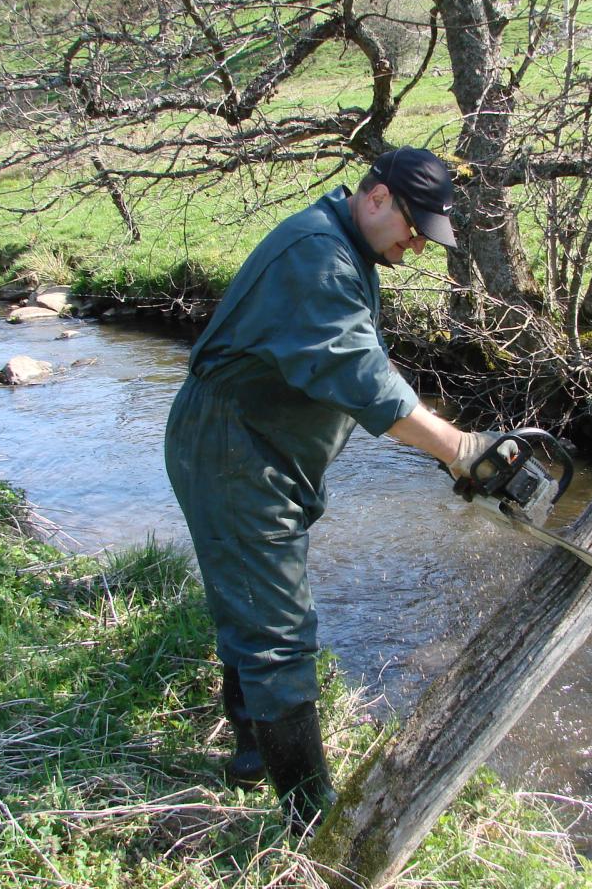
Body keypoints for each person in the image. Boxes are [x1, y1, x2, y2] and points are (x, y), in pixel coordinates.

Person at [163, 147, 502, 831]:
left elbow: (354, 360)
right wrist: (460, 449)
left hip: (251, 446)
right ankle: (312, 824)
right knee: (279, 632)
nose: (413, 248)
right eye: (412, 229)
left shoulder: (340, 243)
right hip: (235, 451)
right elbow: (358, 373)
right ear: (377, 198)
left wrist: (444, 449)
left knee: (251, 600)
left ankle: (254, 755)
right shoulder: (316, 254)